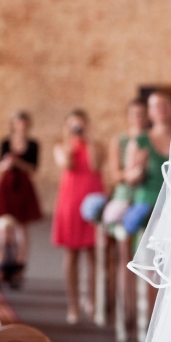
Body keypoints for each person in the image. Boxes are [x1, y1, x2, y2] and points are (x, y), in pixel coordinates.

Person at [52, 109, 104, 324]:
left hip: (92, 201)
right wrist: (69, 141)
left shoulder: (96, 146)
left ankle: (92, 300)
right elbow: (67, 164)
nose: (77, 129)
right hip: (71, 202)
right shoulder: (61, 146)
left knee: (93, 254)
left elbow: (95, 165)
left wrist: (87, 140)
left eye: (80, 125)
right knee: (71, 255)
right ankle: (72, 305)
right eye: (73, 125)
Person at [0, 111, 42, 283]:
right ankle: (2, 263)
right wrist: (7, 164)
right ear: (13, 124)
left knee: (22, 227)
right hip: (7, 186)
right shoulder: (5, 143)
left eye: (24, 123)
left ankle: (20, 265)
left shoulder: (33, 145)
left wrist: (18, 163)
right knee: (4, 226)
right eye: (18, 123)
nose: (21, 126)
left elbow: (33, 168)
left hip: (23, 187)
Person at [121, 90, 171, 237]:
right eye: (156, 106)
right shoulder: (140, 141)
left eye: (165, 104)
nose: (161, 108)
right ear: (149, 112)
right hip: (148, 202)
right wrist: (139, 168)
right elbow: (129, 179)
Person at [102, 98, 148, 225]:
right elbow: (115, 175)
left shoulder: (152, 140)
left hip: (146, 192)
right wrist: (132, 174)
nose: (138, 118)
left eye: (142, 114)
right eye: (134, 114)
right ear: (128, 116)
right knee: (113, 216)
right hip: (125, 192)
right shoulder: (119, 140)